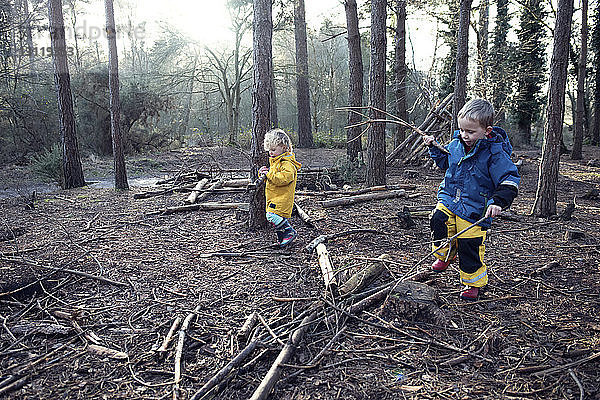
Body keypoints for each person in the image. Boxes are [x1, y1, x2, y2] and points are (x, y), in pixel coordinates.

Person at [423, 99, 520, 300]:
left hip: (477, 206)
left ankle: (472, 282)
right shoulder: (456, 144)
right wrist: (433, 147)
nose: (464, 135)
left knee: (469, 244)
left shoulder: (495, 153)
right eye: (461, 130)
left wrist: (498, 201)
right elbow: (444, 162)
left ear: (486, 130)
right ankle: (445, 255)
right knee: (438, 220)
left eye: (470, 131)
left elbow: (509, 178)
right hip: (450, 198)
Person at [259, 129, 301, 247]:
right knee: (272, 216)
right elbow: (272, 176)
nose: (270, 153)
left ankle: (289, 232)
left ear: (283, 147)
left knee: (271, 216)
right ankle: (283, 237)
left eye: (273, 150)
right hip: (275, 196)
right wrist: (263, 173)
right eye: (269, 150)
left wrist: (269, 174)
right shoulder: (276, 161)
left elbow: (283, 179)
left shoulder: (287, 163)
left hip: (282, 197)